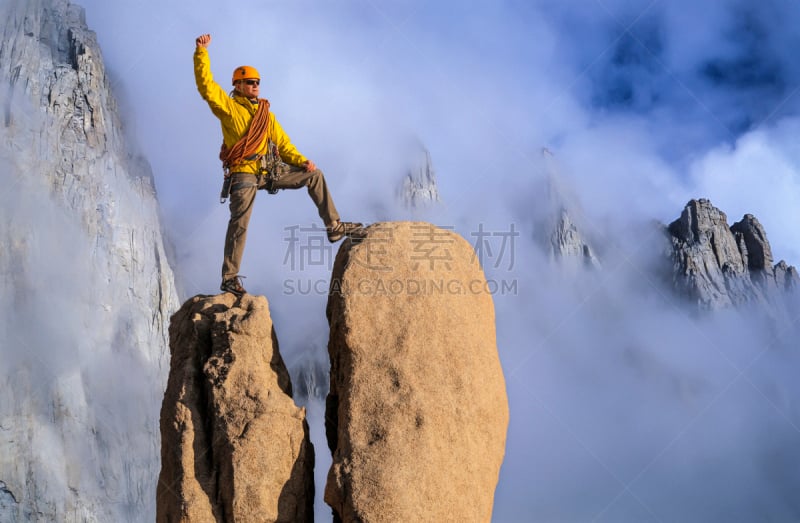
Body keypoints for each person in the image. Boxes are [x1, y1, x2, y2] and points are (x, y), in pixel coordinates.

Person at [194, 33, 362, 296]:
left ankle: (334, 227)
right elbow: (206, 87)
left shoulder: (265, 115)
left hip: (269, 171)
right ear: (237, 85)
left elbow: (283, 145)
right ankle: (229, 278)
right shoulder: (228, 108)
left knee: (314, 176)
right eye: (250, 82)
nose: (256, 86)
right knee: (240, 223)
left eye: (258, 82)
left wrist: (302, 162)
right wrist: (201, 53)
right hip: (244, 173)